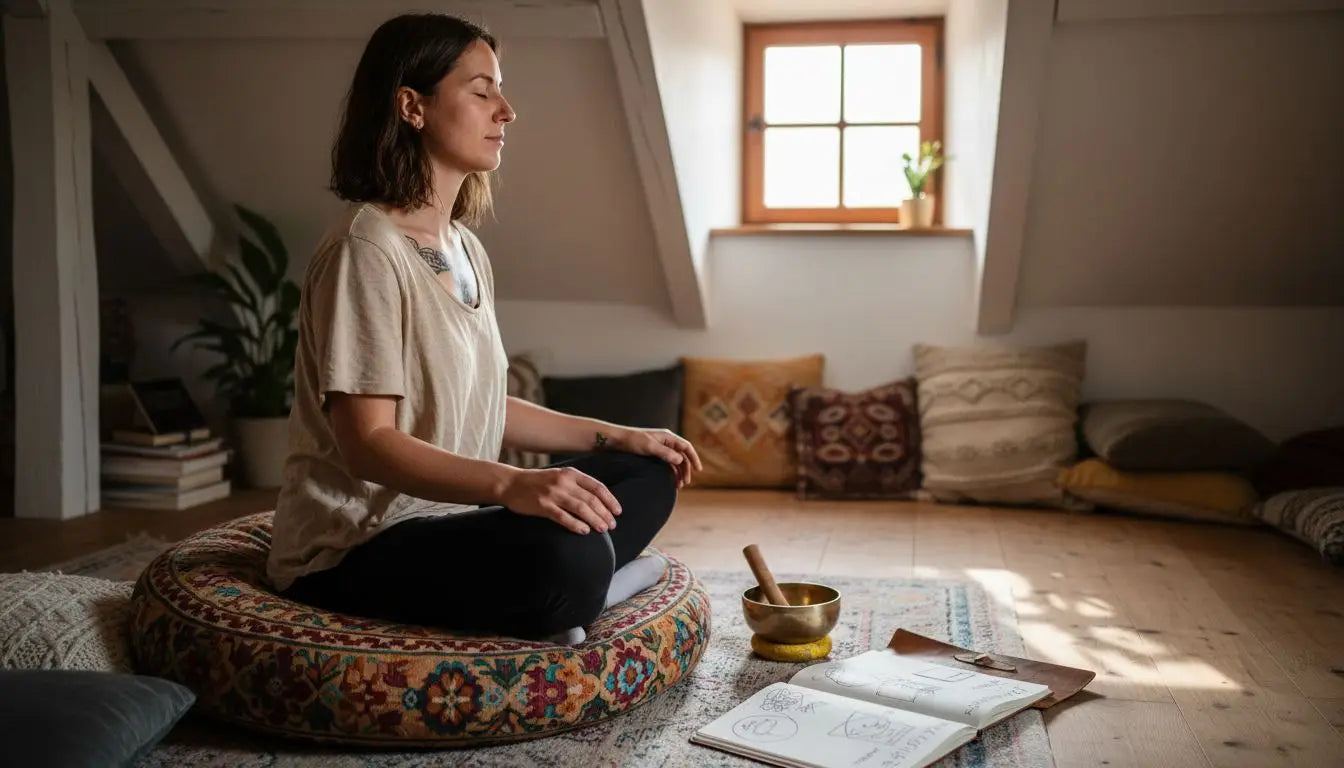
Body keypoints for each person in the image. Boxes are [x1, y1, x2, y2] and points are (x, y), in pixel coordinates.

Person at [265, 13, 702, 646]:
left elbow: (483, 404)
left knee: (648, 474)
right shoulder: (365, 251)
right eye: (482, 90)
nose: (507, 111)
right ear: (412, 106)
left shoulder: (465, 248)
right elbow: (367, 444)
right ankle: (593, 588)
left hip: (452, 520)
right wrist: (513, 484)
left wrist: (620, 436)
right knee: (569, 556)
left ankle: (577, 595)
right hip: (354, 548)